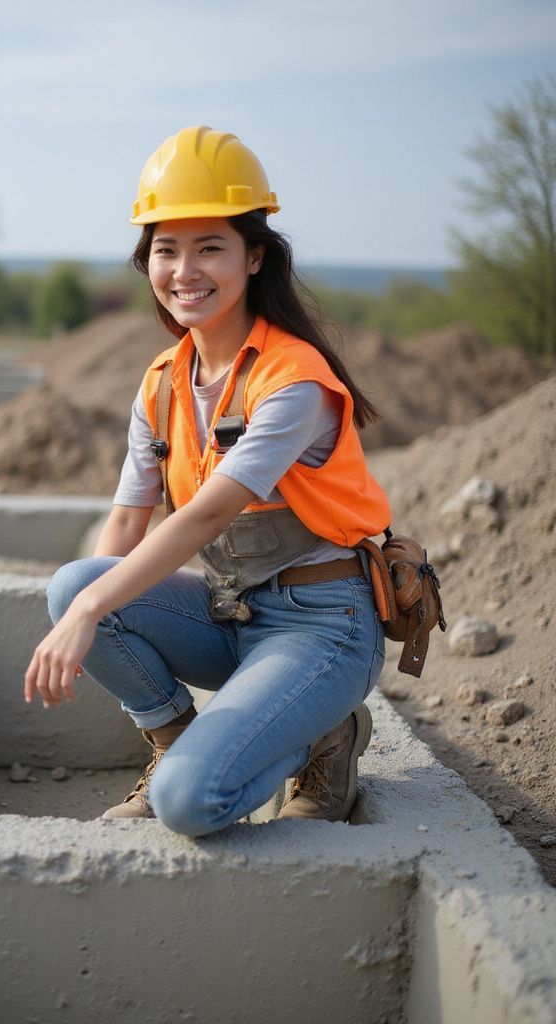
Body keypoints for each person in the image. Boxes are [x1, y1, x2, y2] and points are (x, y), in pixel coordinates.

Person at [22, 127, 390, 836]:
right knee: (74, 582)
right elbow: (126, 525)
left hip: (323, 627)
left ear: (254, 257)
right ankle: (173, 743)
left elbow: (203, 518)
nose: (184, 270)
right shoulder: (162, 384)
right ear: (146, 260)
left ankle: (326, 738)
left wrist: (91, 612)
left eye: (209, 247)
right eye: (166, 249)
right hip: (235, 615)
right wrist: (88, 604)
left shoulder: (293, 380)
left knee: (190, 805)